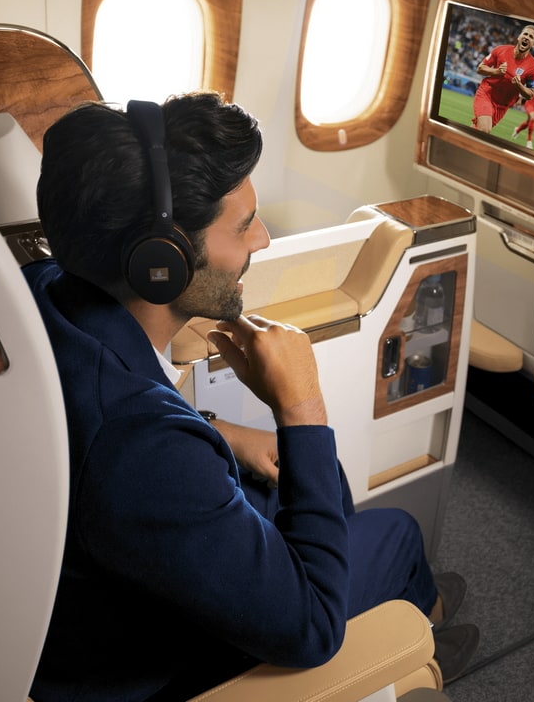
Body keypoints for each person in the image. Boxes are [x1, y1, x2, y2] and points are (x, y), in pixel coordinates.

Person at [24, 93, 479, 702]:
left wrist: (218, 431)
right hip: (148, 666)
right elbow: (311, 629)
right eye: (243, 226)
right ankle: (420, 630)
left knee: (299, 479)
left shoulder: (44, 287)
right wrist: (301, 406)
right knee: (395, 535)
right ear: (161, 261)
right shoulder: (144, 449)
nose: (262, 240)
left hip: (97, 591)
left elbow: (106, 428)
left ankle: (389, 598)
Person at [472, 23, 534, 132]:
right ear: (519, 37)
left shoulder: (533, 67)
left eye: (531, 37)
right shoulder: (501, 50)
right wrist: (496, 71)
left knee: (477, 130)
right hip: (487, 93)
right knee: (484, 129)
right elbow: (480, 68)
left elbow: (531, 94)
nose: (527, 37)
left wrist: (519, 86)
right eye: (525, 34)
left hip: (503, 105)